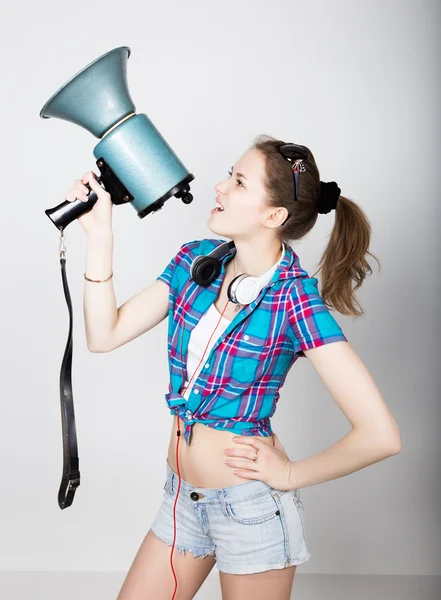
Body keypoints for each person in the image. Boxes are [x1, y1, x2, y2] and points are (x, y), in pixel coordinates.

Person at [65, 134, 402, 600]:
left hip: (250, 510)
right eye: (230, 174)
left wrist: (288, 475)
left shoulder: (295, 299)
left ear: (273, 216)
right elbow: (103, 336)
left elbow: (380, 435)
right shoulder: (194, 262)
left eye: (239, 182)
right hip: (182, 499)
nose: (220, 188)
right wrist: (100, 236)